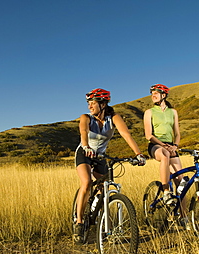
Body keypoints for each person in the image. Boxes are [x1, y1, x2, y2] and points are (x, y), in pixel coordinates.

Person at [74, 88, 146, 244]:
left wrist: (138, 154)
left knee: (104, 188)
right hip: (84, 153)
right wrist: (86, 147)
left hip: (101, 156)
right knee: (86, 183)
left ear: (103, 104)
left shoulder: (113, 118)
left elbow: (126, 135)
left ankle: (102, 222)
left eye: (93, 103)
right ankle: (79, 222)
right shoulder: (86, 117)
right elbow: (83, 131)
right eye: (89, 103)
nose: (90, 106)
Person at [143, 84, 189, 228]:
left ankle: (184, 217)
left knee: (181, 183)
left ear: (164, 95)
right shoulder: (149, 112)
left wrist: (175, 145)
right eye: (152, 94)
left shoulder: (173, 112)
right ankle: (166, 192)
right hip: (156, 145)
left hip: (171, 146)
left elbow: (177, 133)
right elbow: (148, 135)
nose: (153, 96)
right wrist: (164, 146)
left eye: (156, 93)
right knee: (164, 155)